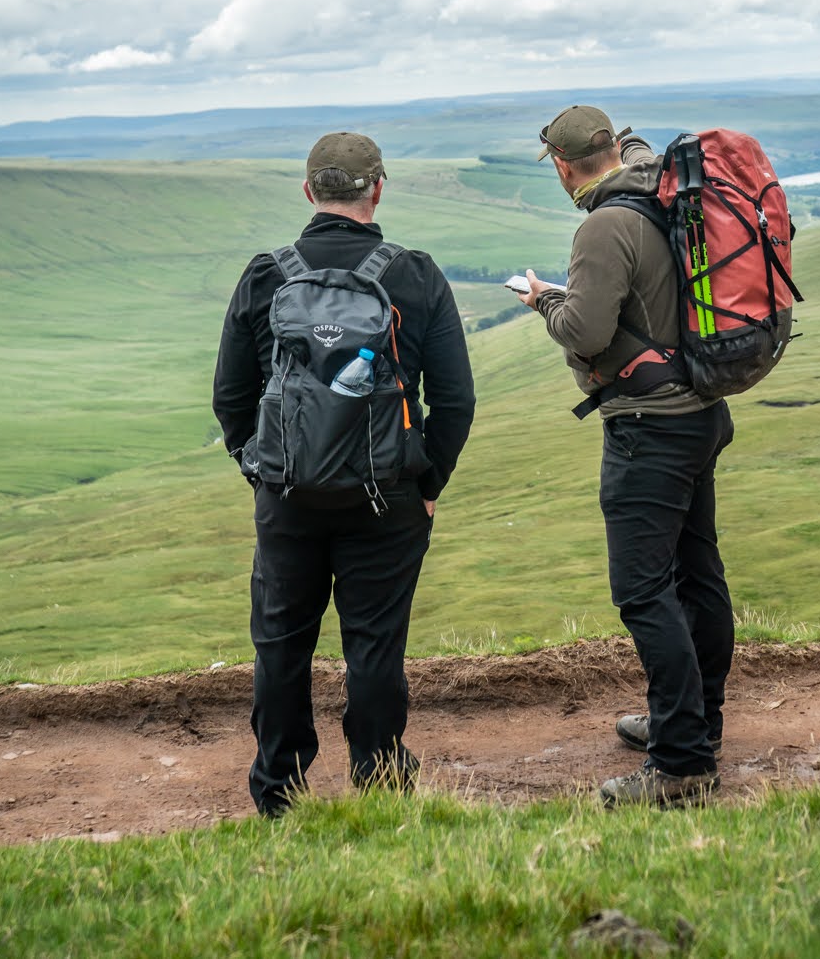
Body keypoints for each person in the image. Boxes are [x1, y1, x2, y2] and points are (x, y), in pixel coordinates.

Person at [213, 132, 475, 816]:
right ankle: (380, 774)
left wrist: (262, 469)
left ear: (309, 192)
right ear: (377, 189)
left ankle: (278, 788)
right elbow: (455, 399)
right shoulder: (415, 274)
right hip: (387, 496)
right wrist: (426, 484)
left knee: (280, 642)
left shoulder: (267, 274)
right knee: (375, 644)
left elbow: (231, 396)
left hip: (288, 494)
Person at [518, 105, 735, 810]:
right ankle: (695, 727)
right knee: (698, 574)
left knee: (645, 592)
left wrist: (546, 301)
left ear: (561, 164)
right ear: (615, 147)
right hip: (700, 410)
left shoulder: (604, 224)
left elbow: (584, 328)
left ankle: (681, 766)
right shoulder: (658, 188)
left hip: (651, 427)